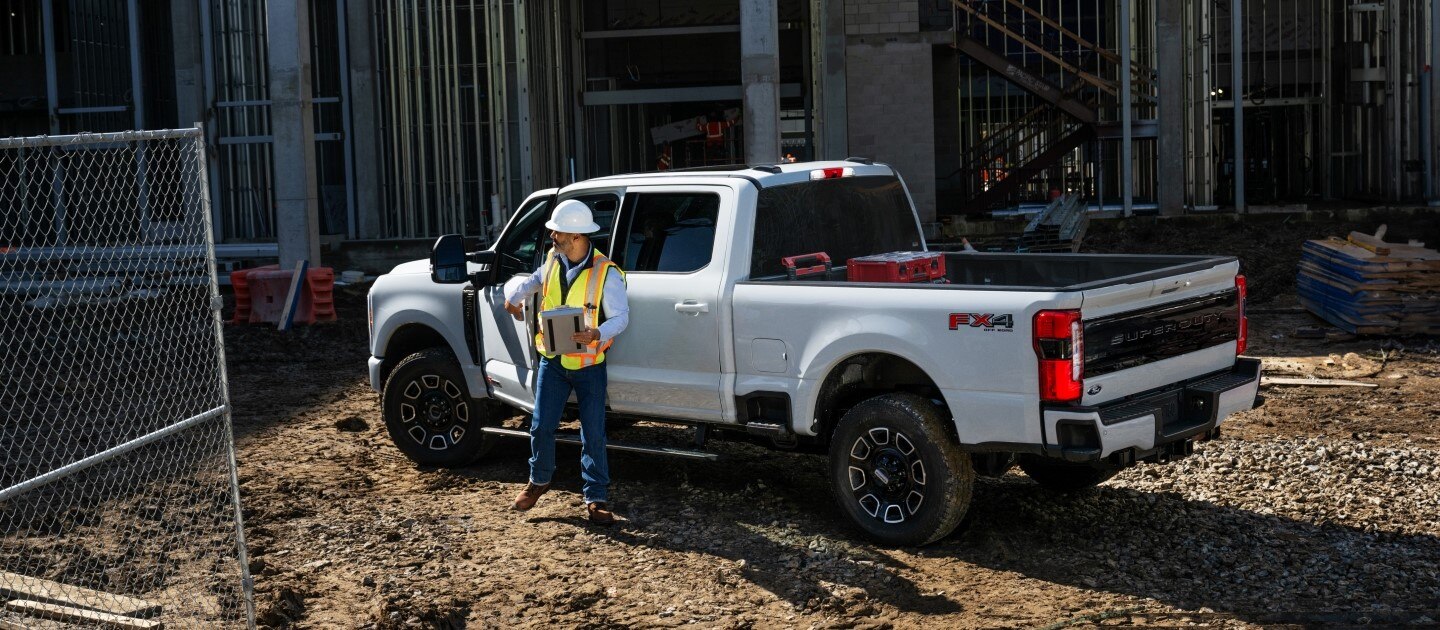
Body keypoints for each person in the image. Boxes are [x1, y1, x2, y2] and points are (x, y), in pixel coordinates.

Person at [503, 199, 629, 524]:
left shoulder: (606, 273)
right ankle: (539, 480)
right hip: (553, 361)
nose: (553, 236)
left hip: (589, 365)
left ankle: (595, 499)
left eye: (557, 232)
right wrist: (513, 300)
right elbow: (534, 281)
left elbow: (622, 318)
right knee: (542, 425)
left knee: (594, 433)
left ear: (574, 235)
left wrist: (597, 333)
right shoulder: (554, 259)